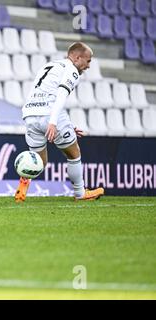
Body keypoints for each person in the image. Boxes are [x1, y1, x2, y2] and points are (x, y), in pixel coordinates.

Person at [15, 42, 104, 202]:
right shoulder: (71, 70)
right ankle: (80, 193)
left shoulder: (49, 65)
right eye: (88, 61)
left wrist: (65, 126)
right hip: (49, 114)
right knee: (74, 153)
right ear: (77, 57)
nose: (88, 66)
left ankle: (22, 186)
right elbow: (61, 94)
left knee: (39, 162)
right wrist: (53, 122)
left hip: (30, 113)